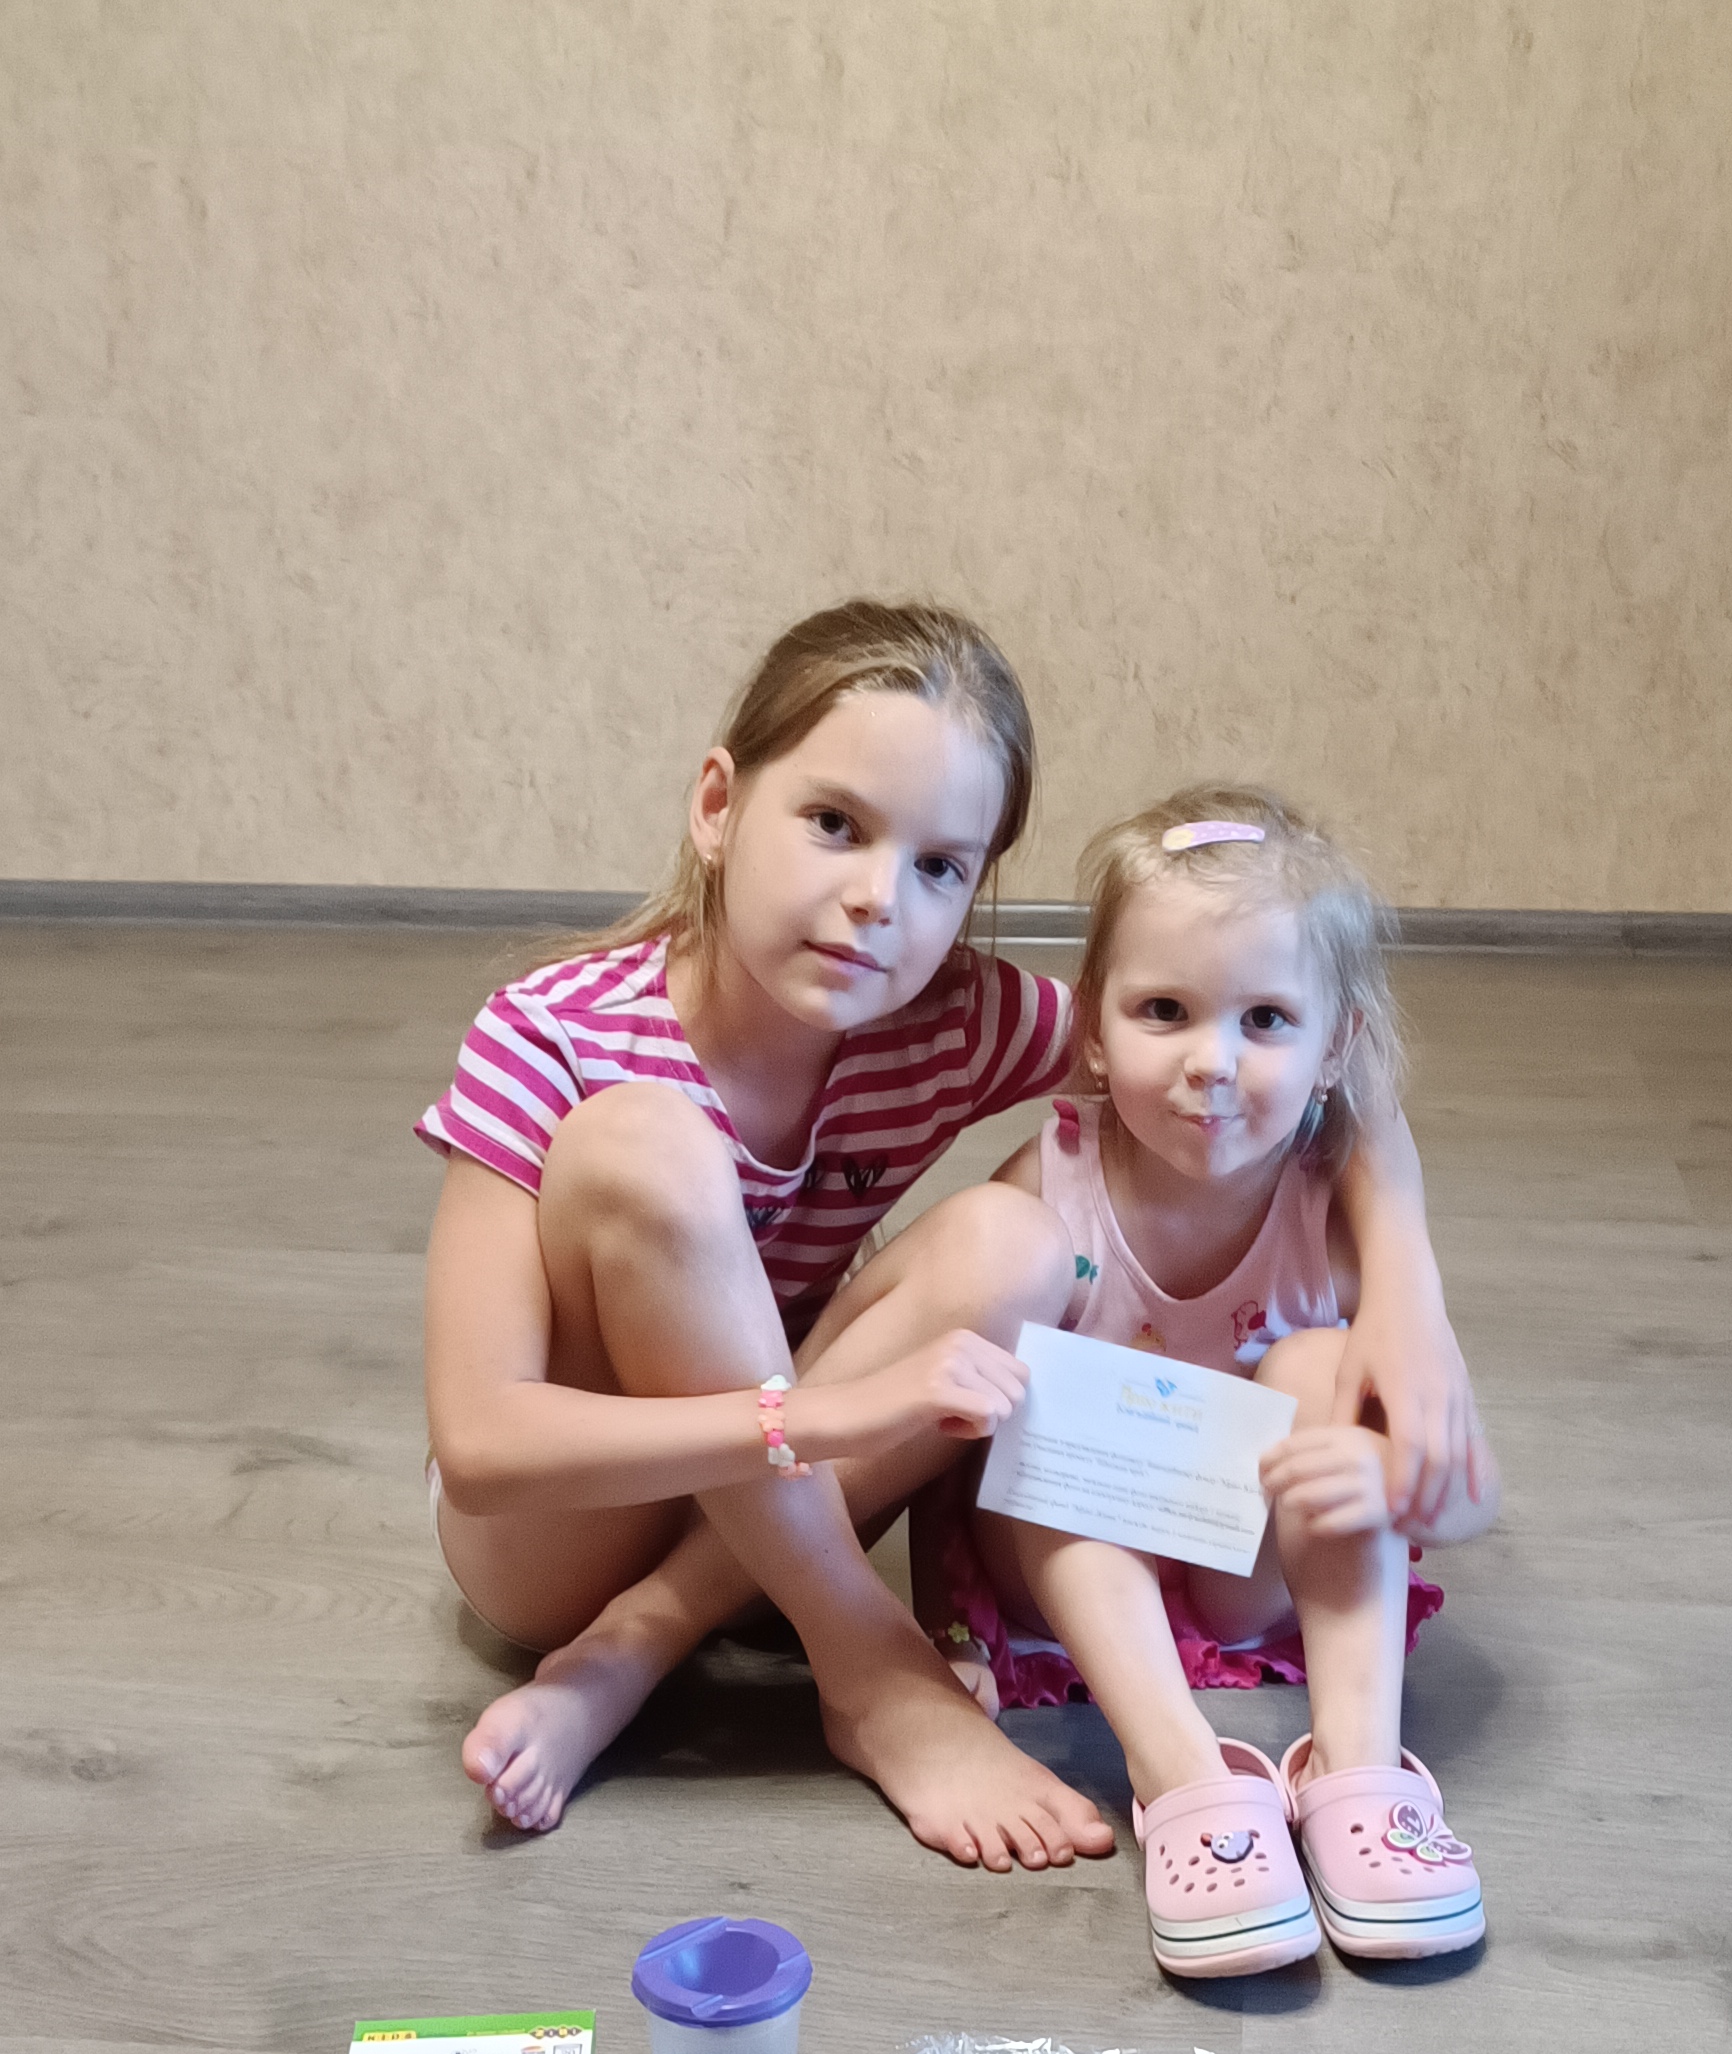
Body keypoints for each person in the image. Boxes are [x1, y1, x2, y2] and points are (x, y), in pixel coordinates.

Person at [419, 607, 1476, 1870]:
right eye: (834, 823)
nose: (879, 901)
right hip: (566, 1531)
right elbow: (482, 1447)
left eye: (940, 867)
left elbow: (1316, 1071)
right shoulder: (550, 1032)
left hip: (787, 1505)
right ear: (717, 806)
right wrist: (825, 1416)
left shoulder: (946, 1016)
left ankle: (645, 1642)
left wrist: (1407, 1304)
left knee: (1011, 1245)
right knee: (642, 1144)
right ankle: (870, 1672)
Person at [952, 790, 1499, 1973]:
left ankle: (1359, 1769)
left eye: (1266, 1018)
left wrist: (1391, 1476)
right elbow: (958, 1430)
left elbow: (1469, 1494)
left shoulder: (1333, 1217)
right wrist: (943, 1624)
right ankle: (1181, 1772)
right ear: (1095, 1026)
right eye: (1165, 1010)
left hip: (1239, 1575)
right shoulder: (1049, 1185)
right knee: (1054, 1396)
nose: (1213, 1061)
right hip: (1077, 1575)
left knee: (1321, 1366)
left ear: (1335, 1046)